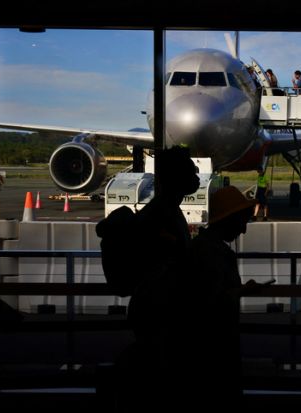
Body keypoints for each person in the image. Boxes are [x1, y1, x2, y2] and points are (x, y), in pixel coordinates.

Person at [113, 145, 200, 411]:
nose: (197, 174)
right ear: (175, 176)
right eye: (190, 169)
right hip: (159, 310)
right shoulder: (161, 215)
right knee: (161, 377)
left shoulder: (166, 210)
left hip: (158, 307)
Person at [189, 186, 265, 405]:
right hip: (214, 346)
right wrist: (240, 291)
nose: (243, 230)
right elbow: (210, 302)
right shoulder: (213, 254)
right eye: (241, 221)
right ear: (229, 220)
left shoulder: (201, 249)